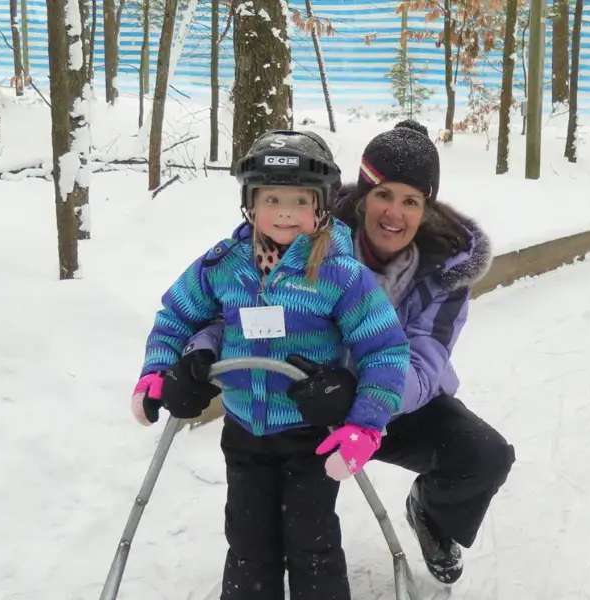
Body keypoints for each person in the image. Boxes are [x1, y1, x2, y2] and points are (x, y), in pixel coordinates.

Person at [184, 120, 516, 586]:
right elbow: (240, 306)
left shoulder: (445, 270)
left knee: (484, 456)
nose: (393, 214)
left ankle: (432, 517)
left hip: (394, 399)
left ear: (427, 209)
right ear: (362, 197)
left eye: (411, 201)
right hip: (306, 407)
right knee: (280, 523)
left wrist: (361, 400)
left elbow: (422, 361)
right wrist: (198, 350)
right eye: (383, 195)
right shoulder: (306, 228)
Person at [129, 129, 412, 600]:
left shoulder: (339, 273)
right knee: (247, 541)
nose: (284, 212)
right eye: (272, 198)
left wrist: (365, 423)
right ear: (249, 203)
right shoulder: (223, 265)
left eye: (300, 201)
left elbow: (384, 348)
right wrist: (159, 371)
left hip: (310, 436)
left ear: (321, 207)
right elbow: (176, 315)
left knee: (311, 543)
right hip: (244, 433)